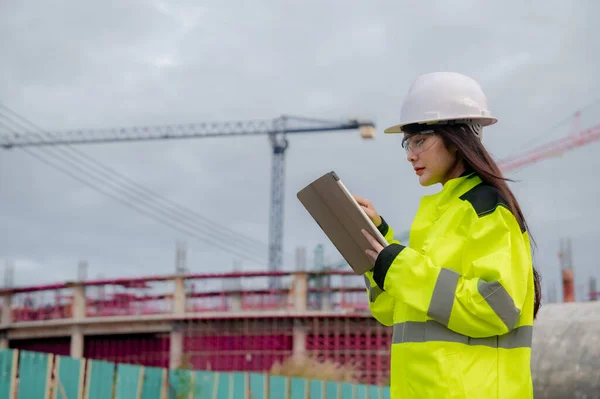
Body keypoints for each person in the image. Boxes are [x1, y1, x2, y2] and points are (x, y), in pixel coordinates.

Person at [355, 71, 542, 399]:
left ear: (457, 139)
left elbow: (497, 306)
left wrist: (396, 265)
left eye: (419, 140)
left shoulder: (486, 208)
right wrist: (378, 242)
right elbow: (390, 311)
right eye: (407, 143)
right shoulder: (441, 215)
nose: (410, 155)